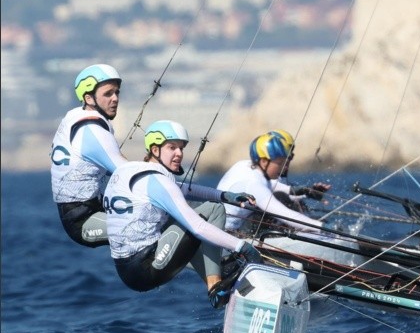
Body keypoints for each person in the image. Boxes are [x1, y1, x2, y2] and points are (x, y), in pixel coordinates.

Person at [104, 120, 262, 309]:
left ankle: (221, 272)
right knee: (213, 209)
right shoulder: (158, 181)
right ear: (155, 150)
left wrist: (225, 195)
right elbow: (198, 226)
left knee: (174, 218)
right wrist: (242, 247)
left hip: (127, 271)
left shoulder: (134, 171)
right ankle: (215, 286)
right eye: (172, 147)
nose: (179, 153)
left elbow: (186, 189)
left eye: (181, 148)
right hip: (147, 268)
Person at [51, 64, 128, 247]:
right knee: (157, 224)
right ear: (88, 98)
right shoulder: (91, 130)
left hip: (94, 208)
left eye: (117, 92)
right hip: (82, 220)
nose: (115, 98)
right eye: (108, 94)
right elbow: (133, 175)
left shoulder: (75, 117)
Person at [217, 129, 330, 235]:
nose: (284, 168)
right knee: (281, 199)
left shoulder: (255, 174)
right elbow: (285, 214)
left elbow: (281, 192)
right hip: (224, 236)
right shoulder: (254, 184)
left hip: (232, 231)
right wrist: (321, 226)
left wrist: (308, 193)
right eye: (280, 163)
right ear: (264, 162)